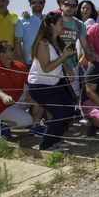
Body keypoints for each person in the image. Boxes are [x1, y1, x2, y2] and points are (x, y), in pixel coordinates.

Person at [27, 12, 77, 151]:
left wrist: (68, 69)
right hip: (41, 85)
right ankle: (46, 145)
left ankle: (55, 140)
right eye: (60, 23)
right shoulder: (43, 43)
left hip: (54, 83)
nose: (63, 25)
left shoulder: (56, 41)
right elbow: (47, 67)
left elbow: (59, 60)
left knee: (68, 111)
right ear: (51, 25)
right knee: (61, 113)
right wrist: (65, 56)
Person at [0, 41, 42, 139]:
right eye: (11, 49)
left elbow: (30, 82)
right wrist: (4, 96)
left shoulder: (19, 65)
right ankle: (4, 123)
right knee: (27, 121)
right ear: (2, 54)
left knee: (41, 97)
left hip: (19, 98)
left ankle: (35, 126)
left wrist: (30, 94)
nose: (15, 51)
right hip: (3, 106)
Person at [15, 0, 45, 67]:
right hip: (29, 62)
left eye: (40, 2)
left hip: (48, 61)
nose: (37, 4)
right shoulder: (22, 20)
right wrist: (22, 62)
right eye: (34, 2)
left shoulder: (49, 19)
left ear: (44, 4)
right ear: (30, 4)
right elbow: (17, 43)